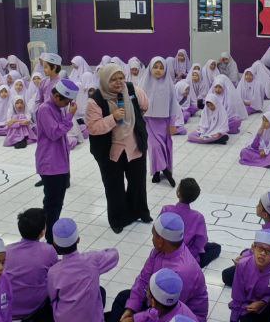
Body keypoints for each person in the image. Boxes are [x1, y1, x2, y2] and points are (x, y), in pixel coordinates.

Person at [85, 63, 152, 233]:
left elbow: (145, 105)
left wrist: (134, 118)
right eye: (113, 79)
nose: (118, 82)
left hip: (134, 145)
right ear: (105, 80)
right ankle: (118, 219)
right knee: (114, 186)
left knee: (137, 182)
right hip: (110, 150)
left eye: (121, 78)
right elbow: (93, 127)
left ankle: (138, 212)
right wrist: (113, 118)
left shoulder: (132, 90)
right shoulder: (95, 100)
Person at [112, 213, 208, 321]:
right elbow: (143, 279)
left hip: (177, 316)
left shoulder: (183, 272)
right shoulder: (160, 250)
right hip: (157, 301)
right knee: (123, 298)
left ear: (161, 241)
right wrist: (131, 309)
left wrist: (135, 319)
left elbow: (167, 310)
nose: (152, 239)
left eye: (153, 235)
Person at [47, 218, 119, 322]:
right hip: (92, 318)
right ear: (78, 239)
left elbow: (53, 297)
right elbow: (114, 254)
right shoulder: (92, 260)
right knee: (101, 292)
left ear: (55, 244)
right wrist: (95, 254)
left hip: (63, 318)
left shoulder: (53, 272)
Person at [34, 79, 78, 244]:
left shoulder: (57, 107)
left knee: (57, 202)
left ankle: (51, 234)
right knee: (52, 203)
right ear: (58, 96)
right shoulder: (45, 109)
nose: (68, 105)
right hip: (50, 164)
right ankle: (49, 238)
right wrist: (70, 115)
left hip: (60, 163)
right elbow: (54, 133)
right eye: (67, 101)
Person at [221, 192, 270, 286]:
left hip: (268, 270)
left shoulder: (269, 235)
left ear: (265, 215)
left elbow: (263, 258)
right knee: (244, 252)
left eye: (259, 205)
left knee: (226, 275)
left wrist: (243, 262)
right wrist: (245, 256)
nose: (256, 206)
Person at [5, 209, 57, 322]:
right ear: (42, 232)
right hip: (35, 309)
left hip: (8, 308)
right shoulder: (48, 251)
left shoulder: (7, 250)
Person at [160, 178, 219, 268]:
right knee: (216, 247)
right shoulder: (198, 217)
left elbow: (157, 231)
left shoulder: (166, 209)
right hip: (187, 256)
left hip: (165, 251)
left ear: (178, 193)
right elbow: (202, 241)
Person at [141, 57, 179, 187]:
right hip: (148, 122)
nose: (158, 70)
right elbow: (138, 103)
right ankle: (165, 171)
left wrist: (173, 124)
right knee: (154, 147)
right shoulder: (144, 83)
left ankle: (157, 172)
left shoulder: (169, 84)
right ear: (150, 68)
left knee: (164, 147)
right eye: (155, 67)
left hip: (164, 122)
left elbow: (173, 105)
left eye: (161, 68)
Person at [228, 230, 270, 322]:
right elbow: (237, 295)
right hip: (247, 307)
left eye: (268, 251)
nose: (263, 253)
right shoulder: (242, 265)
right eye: (260, 248)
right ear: (253, 248)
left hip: (267, 307)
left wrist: (263, 302)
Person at [123, 268, 196, 322]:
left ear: (153, 302)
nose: (146, 292)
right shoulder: (167, 306)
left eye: (147, 291)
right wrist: (133, 319)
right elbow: (152, 314)